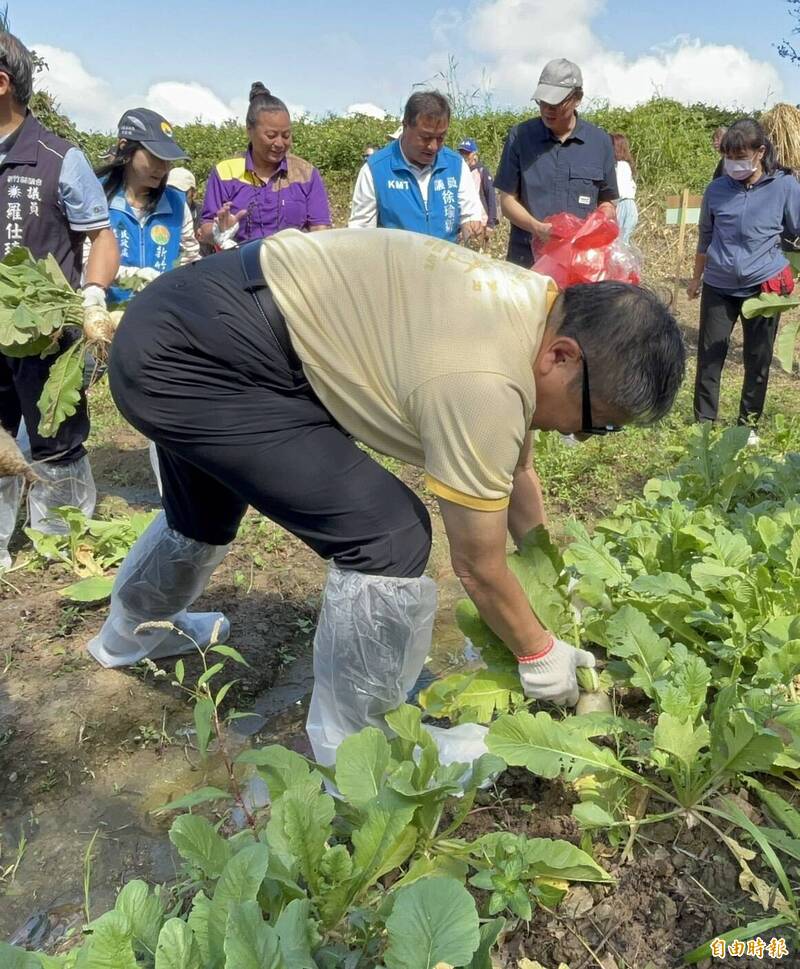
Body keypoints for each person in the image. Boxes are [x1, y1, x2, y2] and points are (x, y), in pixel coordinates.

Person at [87, 227, 685, 765]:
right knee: (388, 533)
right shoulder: (483, 381)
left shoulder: (529, 306)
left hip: (188, 315)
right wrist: (537, 650)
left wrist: (546, 566)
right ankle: (358, 751)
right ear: (562, 357)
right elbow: (476, 565)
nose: (581, 436)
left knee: (206, 511)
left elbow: (515, 464)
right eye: (595, 421)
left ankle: (131, 634)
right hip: (194, 359)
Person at [0, 30, 118, 570]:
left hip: (45, 338)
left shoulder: (57, 158)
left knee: (55, 439)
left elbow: (101, 236)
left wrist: (91, 297)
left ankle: (60, 543)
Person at [689, 118, 800, 442]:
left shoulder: (785, 186)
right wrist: (696, 280)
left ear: (760, 151)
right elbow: (704, 237)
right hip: (719, 285)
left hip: (763, 288)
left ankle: (747, 425)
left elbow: (796, 231)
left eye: (740, 156)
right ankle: (704, 425)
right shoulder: (717, 189)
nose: (734, 164)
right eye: (728, 157)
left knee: (758, 358)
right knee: (710, 356)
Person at [495, 58, 618, 268]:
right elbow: (506, 201)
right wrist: (537, 228)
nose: (547, 110)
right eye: (542, 102)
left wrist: (599, 222)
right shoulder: (521, 137)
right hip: (527, 262)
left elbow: (607, 202)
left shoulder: (600, 142)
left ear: (577, 98)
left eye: (556, 103)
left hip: (580, 264)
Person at [198, 83, 331, 250]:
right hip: (238, 267)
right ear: (249, 131)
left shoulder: (306, 174)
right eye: (271, 135)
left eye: (286, 135)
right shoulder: (225, 172)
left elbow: (320, 229)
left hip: (291, 267)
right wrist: (220, 231)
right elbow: (206, 227)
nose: (280, 143)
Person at [348, 91, 484, 242]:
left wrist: (473, 231)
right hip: (394, 264)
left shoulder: (456, 166)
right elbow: (360, 234)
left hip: (445, 264)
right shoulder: (375, 170)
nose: (433, 147)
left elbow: (470, 217)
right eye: (425, 137)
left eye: (440, 138)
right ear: (405, 125)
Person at [96, 109, 199, 305]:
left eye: (167, 160)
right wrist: (135, 277)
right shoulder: (97, 194)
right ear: (125, 147)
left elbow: (189, 257)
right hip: (107, 314)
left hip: (161, 314)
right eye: (155, 157)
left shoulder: (177, 203)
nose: (163, 167)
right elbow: (85, 259)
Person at [457, 138, 498, 233]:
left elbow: (491, 196)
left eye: (467, 153)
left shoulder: (482, 171)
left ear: (474, 154)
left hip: (481, 222)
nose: (464, 156)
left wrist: (490, 223)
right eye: (461, 153)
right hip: (465, 223)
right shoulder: (459, 172)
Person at [611, 133, 638, 244]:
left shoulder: (620, 166)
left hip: (622, 204)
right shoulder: (626, 165)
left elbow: (618, 191)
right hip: (630, 205)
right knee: (624, 242)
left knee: (618, 243)